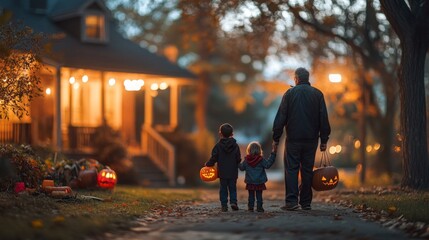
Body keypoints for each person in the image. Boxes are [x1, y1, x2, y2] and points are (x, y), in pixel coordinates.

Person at [272, 67, 331, 211]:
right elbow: (323, 118)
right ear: (308, 78)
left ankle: (291, 202)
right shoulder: (318, 94)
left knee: (291, 169)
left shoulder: (289, 94)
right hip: (311, 140)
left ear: (296, 79)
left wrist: (276, 138)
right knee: (307, 170)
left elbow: (281, 117)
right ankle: (306, 202)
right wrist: (324, 140)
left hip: (293, 139)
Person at [205, 123, 242, 212]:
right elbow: (238, 158)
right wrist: (237, 163)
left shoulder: (218, 146)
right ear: (232, 134)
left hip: (222, 172)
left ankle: (224, 205)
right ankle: (233, 202)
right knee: (232, 188)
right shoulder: (235, 146)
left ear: (220, 134)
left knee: (223, 189)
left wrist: (208, 164)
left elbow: (214, 157)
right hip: (233, 172)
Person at [239, 141, 276, 212]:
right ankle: (259, 207)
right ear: (259, 150)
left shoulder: (246, 160)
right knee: (259, 195)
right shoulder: (261, 160)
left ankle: (250, 207)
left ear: (249, 150)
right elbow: (268, 165)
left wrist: (237, 161)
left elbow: (241, 168)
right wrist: (273, 154)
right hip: (259, 181)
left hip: (250, 181)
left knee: (251, 195)